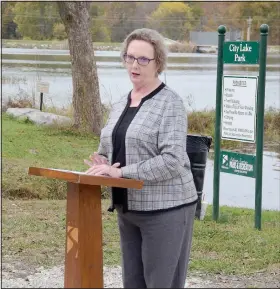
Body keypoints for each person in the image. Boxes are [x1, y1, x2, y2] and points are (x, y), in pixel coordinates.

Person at [84, 28, 198, 288]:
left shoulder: (170, 104)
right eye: (129, 57)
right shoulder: (120, 103)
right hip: (128, 208)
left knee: (160, 283)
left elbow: (172, 160)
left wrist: (121, 173)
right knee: (133, 282)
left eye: (143, 59)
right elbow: (109, 146)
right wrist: (103, 162)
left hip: (166, 209)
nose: (134, 65)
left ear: (158, 63)